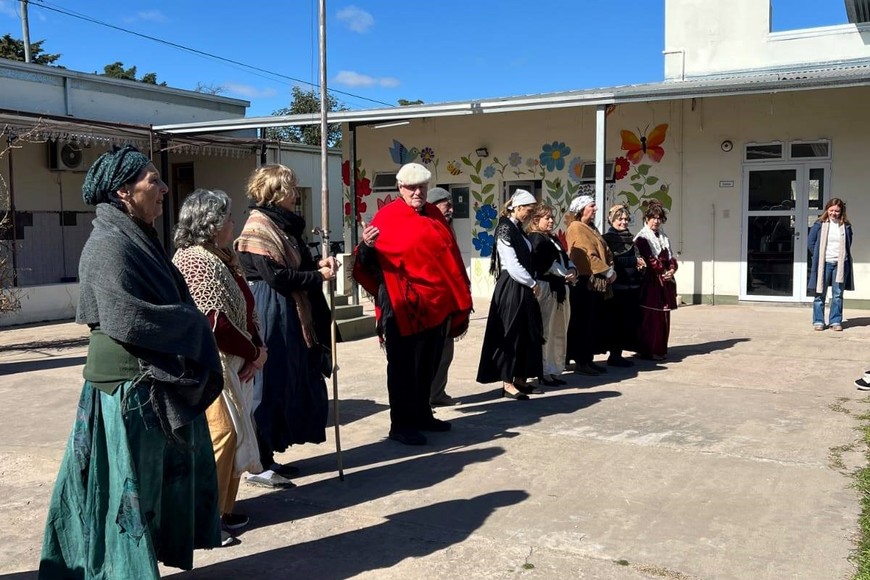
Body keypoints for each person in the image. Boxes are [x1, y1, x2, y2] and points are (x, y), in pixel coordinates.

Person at [39, 146, 224, 578]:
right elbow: (127, 317)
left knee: (150, 488)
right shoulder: (107, 245)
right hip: (125, 391)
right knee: (123, 493)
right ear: (124, 191)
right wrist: (192, 324)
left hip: (149, 384)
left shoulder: (141, 239)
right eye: (152, 181)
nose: (163, 189)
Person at [172, 188, 267, 547]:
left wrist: (258, 348)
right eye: (227, 218)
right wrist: (253, 351)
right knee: (222, 434)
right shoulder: (194, 260)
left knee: (238, 434)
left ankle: (224, 510)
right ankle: (204, 519)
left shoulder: (224, 255)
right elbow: (213, 321)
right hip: (209, 364)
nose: (233, 223)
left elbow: (244, 307)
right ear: (211, 225)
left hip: (237, 359)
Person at [353, 163, 472, 445]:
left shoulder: (434, 215)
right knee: (403, 368)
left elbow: (449, 258)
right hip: (401, 305)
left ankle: (422, 415)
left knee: (428, 364)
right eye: (411, 187)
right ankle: (401, 424)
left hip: (435, 305)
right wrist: (367, 246)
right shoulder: (387, 216)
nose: (417, 192)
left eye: (422, 187)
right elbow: (367, 265)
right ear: (400, 188)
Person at [235, 164, 338, 486]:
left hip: (290, 311)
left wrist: (318, 263)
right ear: (277, 192)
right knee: (267, 386)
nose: (295, 194)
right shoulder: (258, 228)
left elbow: (295, 265)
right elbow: (276, 277)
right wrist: (317, 276)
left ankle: (269, 457)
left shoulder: (283, 226)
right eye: (291, 188)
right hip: (271, 310)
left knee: (285, 384)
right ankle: (257, 463)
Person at [477, 189, 544, 399]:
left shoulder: (518, 229)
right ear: (517, 207)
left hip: (522, 285)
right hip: (511, 286)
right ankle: (507, 383)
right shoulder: (505, 228)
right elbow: (512, 264)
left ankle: (521, 378)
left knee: (525, 333)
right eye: (528, 210)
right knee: (510, 332)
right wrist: (532, 282)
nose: (530, 215)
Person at [565, 195, 616, 376]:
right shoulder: (576, 228)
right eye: (592, 206)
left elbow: (605, 250)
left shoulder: (590, 228)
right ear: (581, 209)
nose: (595, 209)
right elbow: (586, 256)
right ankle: (581, 361)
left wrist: (610, 267)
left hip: (595, 282)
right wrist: (608, 272)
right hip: (585, 282)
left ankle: (587, 359)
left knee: (591, 322)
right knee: (582, 322)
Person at [527, 204, 576, 386]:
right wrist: (565, 273)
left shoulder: (552, 239)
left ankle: (556, 369)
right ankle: (544, 370)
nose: (551, 221)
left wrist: (572, 270)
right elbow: (545, 264)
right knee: (546, 331)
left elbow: (565, 258)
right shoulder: (535, 239)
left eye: (551, 217)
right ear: (535, 220)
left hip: (560, 288)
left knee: (559, 330)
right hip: (546, 288)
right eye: (546, 218)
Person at [427, 186, 461, 407]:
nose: (450, 209)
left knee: (446, 350)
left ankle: (438, 393)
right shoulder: (429, 227)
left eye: (450, 204)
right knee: (431, 351)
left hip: (449, 299)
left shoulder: (448, 228)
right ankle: (426, 395)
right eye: (446, 204)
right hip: (431, 300)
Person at [634, 201, 678, 360]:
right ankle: (648, 350)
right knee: (651, 317)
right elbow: (650, 259)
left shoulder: (663, 237)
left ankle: (659, 349)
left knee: (663, 317)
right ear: (646, 218)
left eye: (659, 218)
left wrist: (672, 269)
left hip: (664, 281)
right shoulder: (642, 238)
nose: (656, 221)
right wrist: (663, 271)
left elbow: (671, 256)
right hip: (651, 282)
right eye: (653, 217)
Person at [602, 204, 644, 367]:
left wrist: (640, 265)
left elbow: (635, 257)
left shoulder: (630, 238)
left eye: (626, 219)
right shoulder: (608, 239)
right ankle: (614, 355)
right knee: (616, 323)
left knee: (627, 322)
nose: (624, 222)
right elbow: (613, 261)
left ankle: (620, 353)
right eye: (620, 219)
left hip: (631, 287)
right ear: (612, 220)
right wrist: (634, 261)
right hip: (617, 288)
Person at [807, 198, 853, 331]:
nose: (834, 213)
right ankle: (818, 321)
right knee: (819, 293)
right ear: (827, 210)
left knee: (837, 295)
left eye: (837, 211)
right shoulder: (819, 224)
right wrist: (818, 255)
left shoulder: (846, 226)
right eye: (831, 210)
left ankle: (835, 321)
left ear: (841, 212)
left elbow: (848, 243)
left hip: (840, 264)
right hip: (824, 263)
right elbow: (811, 243)